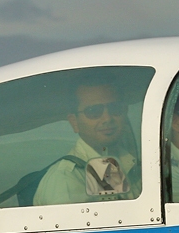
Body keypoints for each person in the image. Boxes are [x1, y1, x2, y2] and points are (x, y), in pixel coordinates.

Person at [33, 77, 141, 206]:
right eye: (94, 111)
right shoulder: (66, 179)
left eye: (115, 108)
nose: (107, 118)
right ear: (74, 122)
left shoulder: (131, 164)